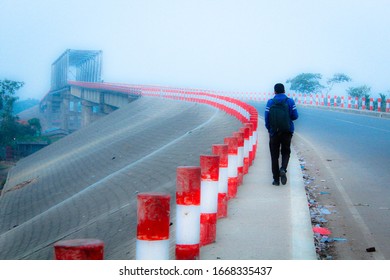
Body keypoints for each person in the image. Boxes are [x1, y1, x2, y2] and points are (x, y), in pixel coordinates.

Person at [265, 83, 298, 186]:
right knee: (286, 152)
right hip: (287, 131)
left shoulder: (270, 102)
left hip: (274, 132)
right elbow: (295, 116)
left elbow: (267, 118)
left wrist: (270, 129)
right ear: (284, 91)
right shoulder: (290, 101)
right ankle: (283, 168)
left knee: (274, 156)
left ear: (274, 91)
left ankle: (276, 180)